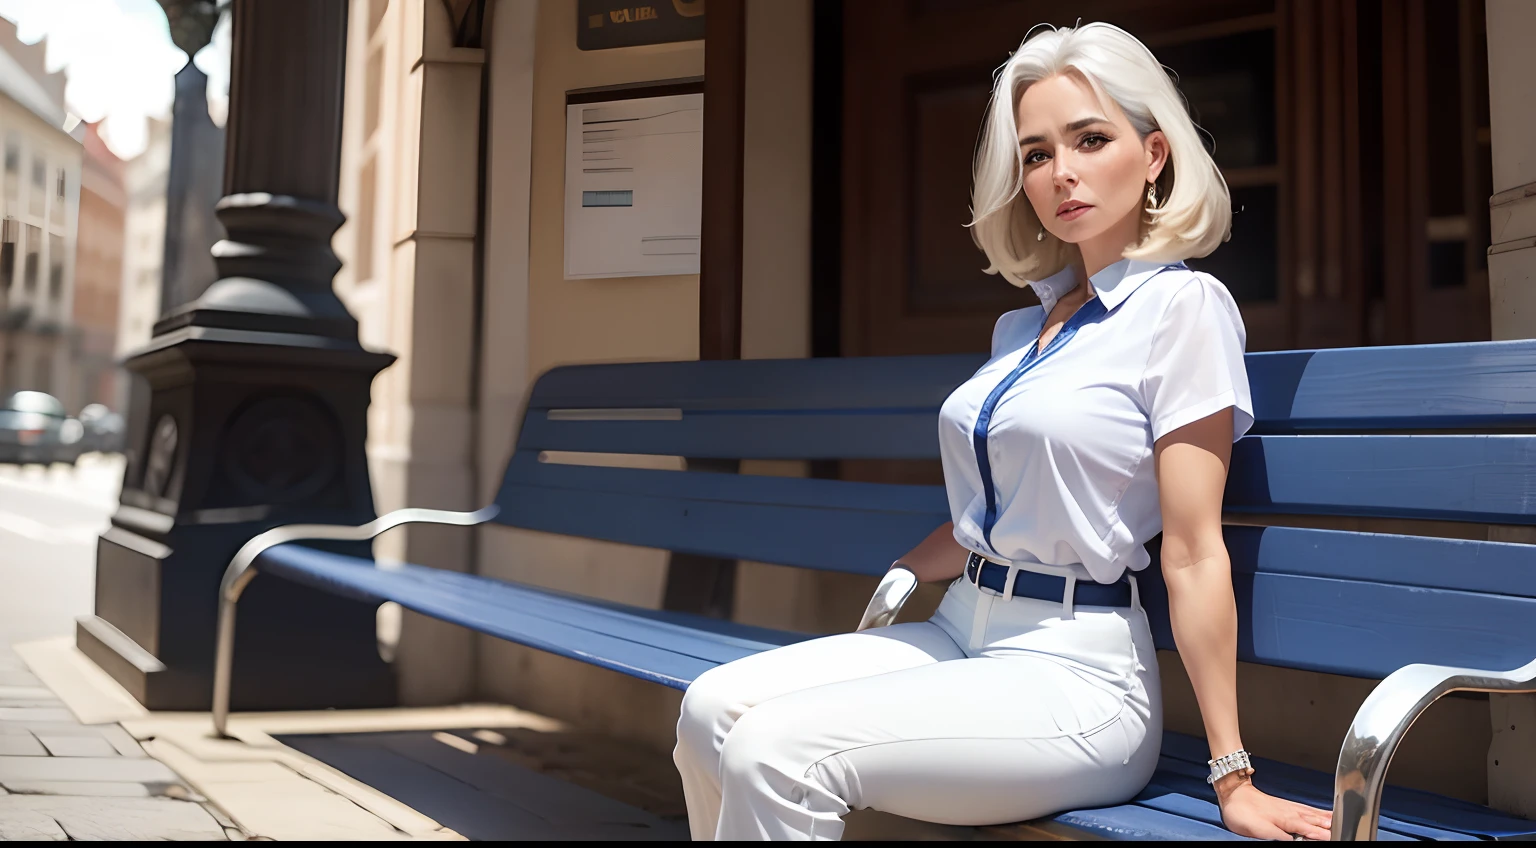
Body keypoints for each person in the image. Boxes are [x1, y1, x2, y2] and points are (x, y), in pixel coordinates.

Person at [672, 21, 1333, 841]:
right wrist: (906, 573)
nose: (1063, 174)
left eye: (1091, 140)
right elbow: (1004, 510)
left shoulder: (1182, 309)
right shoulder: (1022, 330)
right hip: (962, 624)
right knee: (709, 713)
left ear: (1155, 153)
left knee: (774, 752)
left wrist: (1233, 776)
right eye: (1037, 154)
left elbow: (1193, 549)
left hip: (1078, 675)